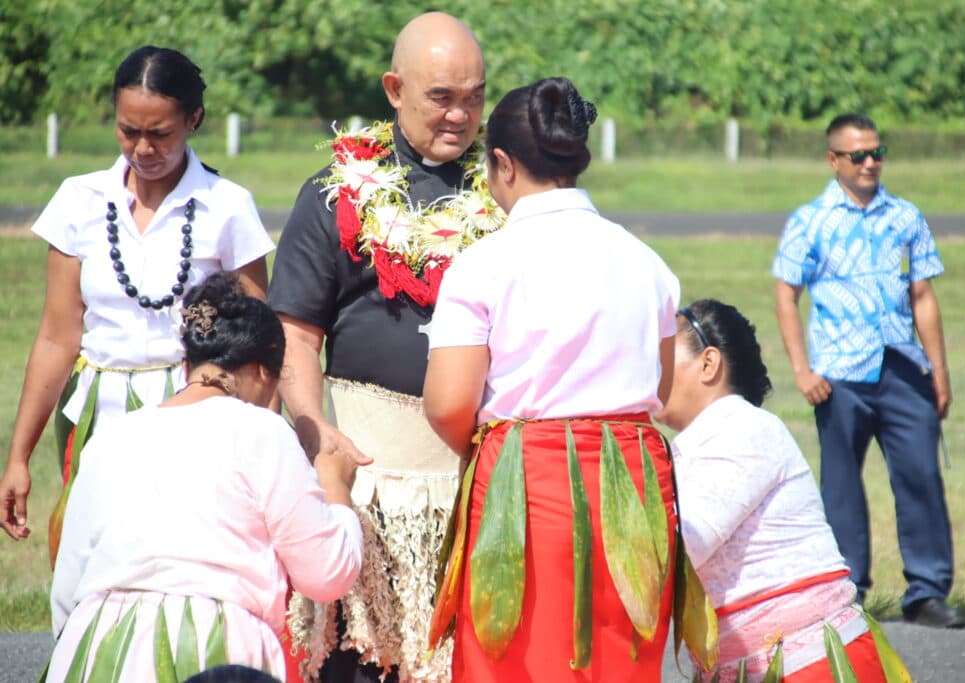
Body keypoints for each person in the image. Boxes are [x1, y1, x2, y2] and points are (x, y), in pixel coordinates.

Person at [267, 12, 500, 682]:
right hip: (361, 472)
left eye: (475, 98)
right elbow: (297, 334)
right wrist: (317, 437)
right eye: (441, 98)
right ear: (394, 89)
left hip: (470, 480)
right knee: (357, 662)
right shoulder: (335, 192)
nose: (460, 116)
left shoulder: (508, 187)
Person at [423, 77, 680, 682]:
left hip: (526, 477)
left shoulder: (484, 264)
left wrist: (491, 449)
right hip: (635, 473)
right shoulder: (646, 262)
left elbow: (448, 401)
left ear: (503, 165)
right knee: (619, 656)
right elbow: (661, 390)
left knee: (519, 655)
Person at [0, 46, 274, 564]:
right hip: (99, 411)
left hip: (196, 410)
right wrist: (18, 457)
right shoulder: (79, 200)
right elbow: (58, 337)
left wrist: (262, 444)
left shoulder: (227, 206)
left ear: (193, 120)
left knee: (184, 560)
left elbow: (257, 340)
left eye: (160, 134)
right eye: (128, 131)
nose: (143, 149)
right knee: (93, 557)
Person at [45, 273, 363, 682]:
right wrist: (336, 488)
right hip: (214, 648)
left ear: (186, 365)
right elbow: (327, 572)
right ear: (266, 373)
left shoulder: (112, 437)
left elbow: (67, 588)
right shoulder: (262, 433)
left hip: (97, 645)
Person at [772, 113, 965, 629]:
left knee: (921, 477)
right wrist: (802, 370)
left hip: (903, 368)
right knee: (841, 485)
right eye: (858, 155)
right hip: (838, 373)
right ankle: (847, 587)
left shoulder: (905, 217)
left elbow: (923, 295)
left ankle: (926, 592)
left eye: (878, 152)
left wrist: (939, 373)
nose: (870, 163)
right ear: (833, 160)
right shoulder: (810, 220)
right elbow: (787, 295)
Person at [659, 299, 911, 682]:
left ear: (708, 364)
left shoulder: (743, 428)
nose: (648, 368)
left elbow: (681, 544)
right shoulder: (694, 444)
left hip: (812, 665)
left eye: (662, 352)